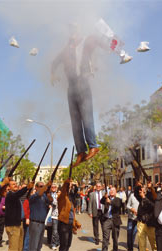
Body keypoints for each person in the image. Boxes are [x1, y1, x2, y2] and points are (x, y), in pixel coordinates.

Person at [51, 24, 103, 167]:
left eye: (75, 33)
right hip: (71, 87)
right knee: (75, 122)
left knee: (87, 117)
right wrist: (52, 74)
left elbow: (96, 41)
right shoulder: (65, 52)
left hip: (83, 83)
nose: (73, 36)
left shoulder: (85, 45)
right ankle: (81, 151)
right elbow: (54, 63)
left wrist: (109, 44)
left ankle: (93, 145)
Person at [5, 180, 34, 251]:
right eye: (13, 184)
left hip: (19, 223)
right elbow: (18, 194)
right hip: (13, 225)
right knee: (14, 247)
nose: (15, 185)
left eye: (16, 184)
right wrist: (27, 187)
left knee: (19, 246)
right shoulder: (10, 195)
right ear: (8, 187)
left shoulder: (16, 196)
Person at [29, 181, 52, 251]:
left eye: (43, 186)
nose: (43, 187)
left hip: (42, 223)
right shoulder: (33, 196)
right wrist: (46, 185)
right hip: (35, 223)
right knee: (34, 245)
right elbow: (38, 194)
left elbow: (51, 200)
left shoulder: (44, 196)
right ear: (36, 187)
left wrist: (48, 191)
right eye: (41, 186)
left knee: (39, 246)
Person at [134, 182, 157, 251]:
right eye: (142, 187)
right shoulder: (140, 196)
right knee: (141, 244)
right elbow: (135, 194)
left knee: (154, 244)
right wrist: (137, 186)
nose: (143, 189)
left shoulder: (152, 195)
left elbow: (152, 206)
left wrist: (144, 197)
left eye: (144, 187)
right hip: (141, 222)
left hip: (150, 223)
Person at [100, 187, 122, 251]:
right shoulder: (107, 198)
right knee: (105, 238)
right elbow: (101, 201)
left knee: (115, 238)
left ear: (115, 192)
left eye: (113, 190)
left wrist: (110, 202)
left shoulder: (118, 199)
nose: (111, 191)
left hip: (115, 221)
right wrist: (105, 197)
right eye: (110, 190)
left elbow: (117, 205)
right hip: (107, 220)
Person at [57, 178, 75, 251]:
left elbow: (72, 212)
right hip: (64, 224)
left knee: (68, 244)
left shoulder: (69, 198)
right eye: (68, 188)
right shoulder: (62, 198)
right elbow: (64, 191)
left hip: (70, 223)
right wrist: (66, 184)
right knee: (63, 244)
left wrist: (74, 222)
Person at [50, 183, 60, 250]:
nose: (53, 188)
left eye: (55, 187)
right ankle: (53, 244)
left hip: (60, 215)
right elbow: (52, 203)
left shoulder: (58, 194)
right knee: (54, 231)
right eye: (52, 187)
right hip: (53, 215)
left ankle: (57, 242)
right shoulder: (49, 195)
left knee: (59, 230)